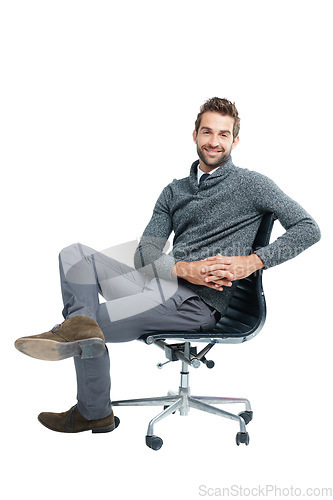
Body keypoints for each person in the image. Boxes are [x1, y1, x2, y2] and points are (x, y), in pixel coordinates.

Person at [15, 97, 321, 433]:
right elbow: (145, 252)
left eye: (223, 134)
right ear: (194, 135)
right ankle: (79, 333)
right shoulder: (173, 192)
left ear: (235, 140)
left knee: (91, 324)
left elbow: (308, 228)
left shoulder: (253, 184)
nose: (214, 142)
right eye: (207, 132)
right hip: (158, 285)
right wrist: (183, 269)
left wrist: (252, 262)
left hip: (197, 304)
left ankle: (93, 409)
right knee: (74, 257)